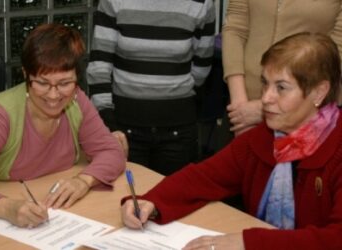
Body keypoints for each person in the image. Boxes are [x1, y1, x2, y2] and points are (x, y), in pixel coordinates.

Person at [121, 32, 342, 249]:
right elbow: (205, 177)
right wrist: (153, 202)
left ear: (319, 92)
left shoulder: (336, 148)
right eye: (265, 83)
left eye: (281, 88)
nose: (265, 98)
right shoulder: (264, 137)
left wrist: (248, 243)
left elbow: (335, 239)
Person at [0, 23, 126, 228]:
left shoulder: (76, 101)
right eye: (42, 83)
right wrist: (5, 208)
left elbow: (110, 150)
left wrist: (83, 181)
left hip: (63, 215)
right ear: (25, 75)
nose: (54, 95)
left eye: (65, 83)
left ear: (77, 80)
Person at [86, 0, 216, 175]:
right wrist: (108, 123)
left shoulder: (201, 3)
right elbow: (99, 65)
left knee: (173, 198)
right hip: (123, 130)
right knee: (123, 199)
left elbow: (202, 67)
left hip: (179, 132)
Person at [222, 0, 342, 137]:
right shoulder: (241, 108)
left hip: (305, 114)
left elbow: (336, 53)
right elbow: (235, 29)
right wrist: (239, 106)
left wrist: (262, 109)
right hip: (241, 102)